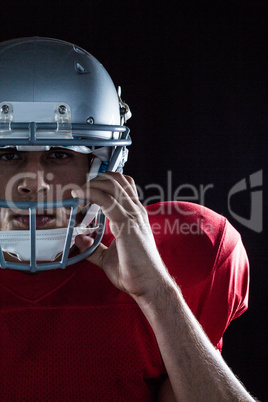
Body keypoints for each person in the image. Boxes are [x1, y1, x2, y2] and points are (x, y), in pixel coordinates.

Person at [0, 37, 256, 401]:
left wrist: (157, 291)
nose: (33, 183)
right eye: (8, 154)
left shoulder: (189, 247)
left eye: (59, 153)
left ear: (104, 164)